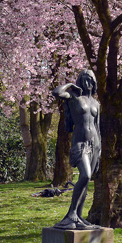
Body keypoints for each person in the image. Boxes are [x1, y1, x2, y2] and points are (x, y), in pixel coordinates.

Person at [50, 70, 101, 230]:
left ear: (94, 83)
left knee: (86, 183)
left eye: (90, 80)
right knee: (84, 176)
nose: (87, 84)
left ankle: (78, 217)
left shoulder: (96, 103)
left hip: (95, 144)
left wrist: (99, 151)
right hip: (80, 143)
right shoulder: (73, 97)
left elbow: (97, 127)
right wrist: (71, 85)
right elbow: (57, 92)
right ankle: (71, 214)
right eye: (84, 80)